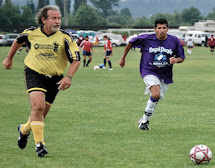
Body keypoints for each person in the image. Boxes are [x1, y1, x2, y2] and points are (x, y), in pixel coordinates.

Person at [2, 5, 81, 157]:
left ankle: (24, 129)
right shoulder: (31, 33)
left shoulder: (66, 37)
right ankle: (40, 145)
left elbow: (76, 59)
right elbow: (18, 41)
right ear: (44, 20)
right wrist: (9, 57)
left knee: (41, 114)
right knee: (37, 106)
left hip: (56, 78)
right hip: (34, 73)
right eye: (54, 18)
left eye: (59, 18)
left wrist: (68, 77)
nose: (58, 21)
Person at [119, 18, 185, 130]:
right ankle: (144, 121)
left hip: (165, 73)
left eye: (164, 28)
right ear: (155, 29)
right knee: (155, 94)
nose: (162, 30)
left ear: (168, 29)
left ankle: (144, 120)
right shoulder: (146, 38)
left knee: (156, 96)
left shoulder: (174, 41)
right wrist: (123, 58)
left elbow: (181, 57)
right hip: (148, 70)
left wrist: (175, 60)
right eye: (159, 28)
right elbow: (130, 43)